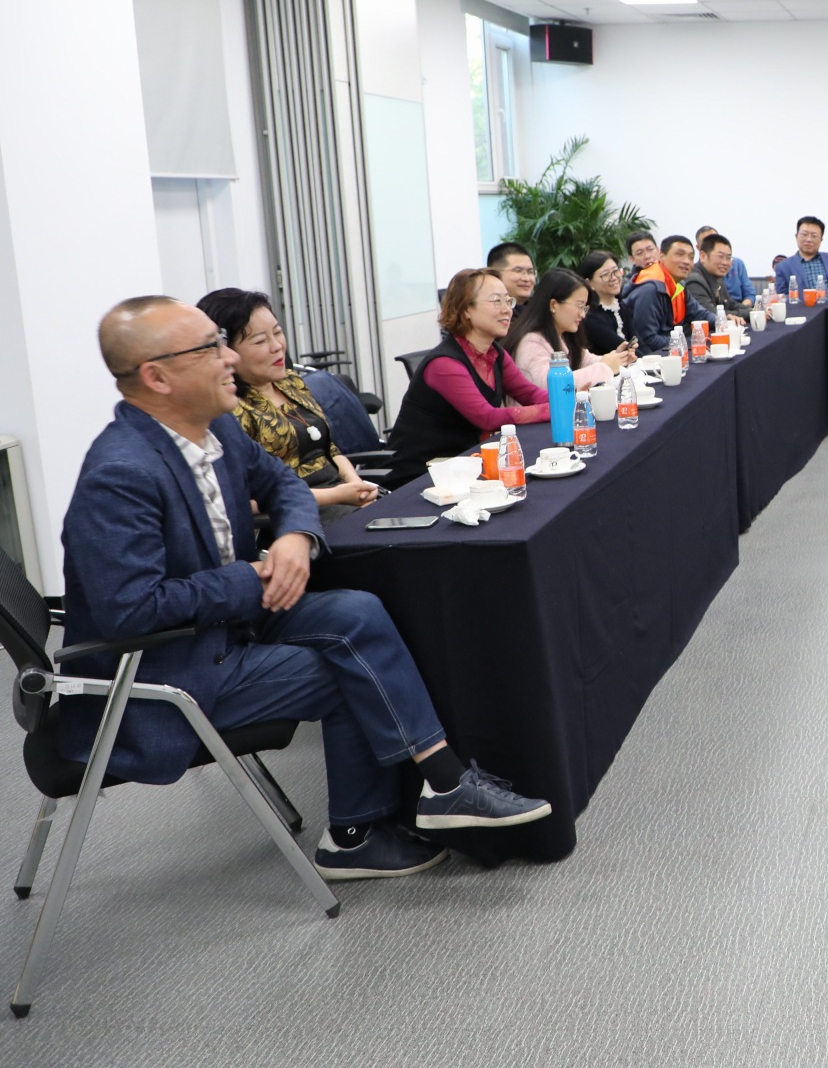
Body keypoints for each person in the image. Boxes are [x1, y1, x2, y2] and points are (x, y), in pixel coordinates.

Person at [65, 297, 551, 880]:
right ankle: (357, 833)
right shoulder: (119, 473)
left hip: (226, 622)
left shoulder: (216, 429)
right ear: (157, 377)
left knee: (358, 611)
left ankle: (440, 787)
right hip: (169, 666)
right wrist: (252, 576)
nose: (229, 358)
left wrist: (296, 536)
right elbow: (131, 611)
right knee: (352, 670)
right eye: (211, 348)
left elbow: (284, 484)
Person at [195, 288, 380, 524]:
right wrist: (337, 495)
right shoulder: (230, 410)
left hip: (343, 497)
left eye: (277, 332)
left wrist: (356, 486)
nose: (277, 346)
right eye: (260, 341)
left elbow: (330, 450)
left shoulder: (290, 382)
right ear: (225, 351)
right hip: (296, 516)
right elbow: (242, 499)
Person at [385, 268, 549, 487]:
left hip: (464, 467)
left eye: (507, 301)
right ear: (466, 310)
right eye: (496, 301)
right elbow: (487, 417)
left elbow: (529, 393)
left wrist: (570, 401)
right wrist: (551, 409)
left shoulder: (495, 353)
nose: (506, 310)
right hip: (420, 477)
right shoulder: (444, 364)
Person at [506, 268, 633, 394]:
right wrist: (605, 368)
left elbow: (587, 360)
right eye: (579, 306)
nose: (583, 314)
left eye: (585, 308)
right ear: (553, 305)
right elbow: (549, 385)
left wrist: (617, 358)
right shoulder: (531, 342)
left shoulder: (563, 335)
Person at [627, 234, 718, 354]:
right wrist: (686, 343)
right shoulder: (649, 289)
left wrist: (722, 322)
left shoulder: (678, 285)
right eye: (679, 254)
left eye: (691, 257)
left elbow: (700, 314)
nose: (686, 261)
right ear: (661, 256)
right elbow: (648, 339)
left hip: (672, 349)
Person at [772, 217, 828, 295]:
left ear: (821, 239)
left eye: (814, 236)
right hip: (803, 306)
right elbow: (782, 296)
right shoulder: (783, 267)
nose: (809, 239)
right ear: (796, 236)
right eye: (804, 234)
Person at [686, 232, 753, 320]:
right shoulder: (694, 281)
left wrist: (755, 311)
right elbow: (712, 313)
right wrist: (750, 313)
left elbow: (731, 304)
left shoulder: (717, 277)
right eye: (720, 257)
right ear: (703, 256)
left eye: (728, 258)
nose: (725, 263)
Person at [579, 249, 629, 355]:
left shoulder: (622, 306)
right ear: (589, 283)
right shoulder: (590, 317)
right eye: (605, 274)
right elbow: (623, 348)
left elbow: (639, 342)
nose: (614, 278)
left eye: (616, 271)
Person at [694, 224, 753, 302]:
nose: (725, 263)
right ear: (699, 248)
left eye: (716, 239)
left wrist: (746, 308)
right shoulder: (696, 278)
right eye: (708, 241)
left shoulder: (736, 264)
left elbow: (748, 294)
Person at [487, 241, 537, 311]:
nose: (526, 279)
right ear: (494, 274)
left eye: (530, 272)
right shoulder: (486, 313)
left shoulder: (542, 311)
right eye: (518, 270)